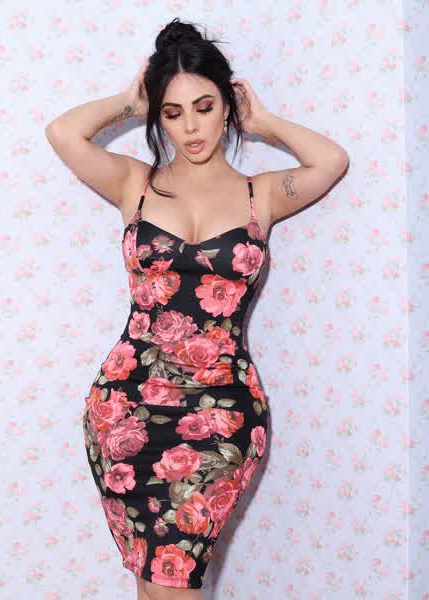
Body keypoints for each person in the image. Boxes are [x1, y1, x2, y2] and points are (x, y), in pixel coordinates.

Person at [45, 17, 348, 600]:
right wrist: (128, 101)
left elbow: (330, 160)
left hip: (222, 414)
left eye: (204, 107)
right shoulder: (134, 183)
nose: (190, 127)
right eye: (172, 112)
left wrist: (264, 123)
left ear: (227, 105)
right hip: (126, 407)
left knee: (172, 581)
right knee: (156, 583)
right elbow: (62, 133)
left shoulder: (261, 194)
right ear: (157, 117)